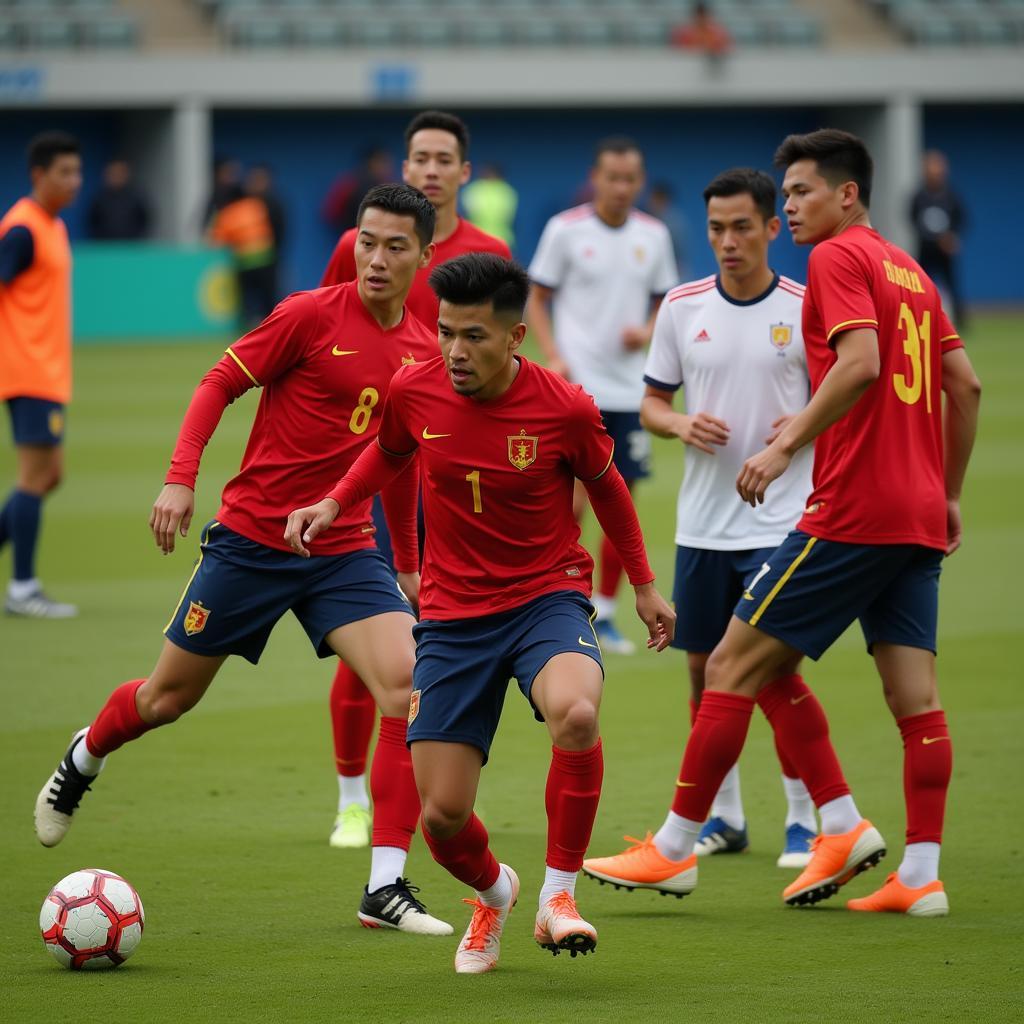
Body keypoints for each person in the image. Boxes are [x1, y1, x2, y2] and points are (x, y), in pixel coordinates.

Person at [34, 184, 453, 936]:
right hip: (251, 543)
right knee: (166, 700)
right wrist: (180, 476)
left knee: (408, 688)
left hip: (343, 551)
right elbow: (220, 382)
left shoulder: (423, 353)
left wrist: (411, 565)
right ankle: (85, 755)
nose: (377, 258)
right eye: (367, 240)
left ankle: (384, 885)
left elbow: (399, 464)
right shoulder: (307, 314)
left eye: (396, 246)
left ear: (426, 255)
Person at [582, 129, 981, 918]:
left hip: (854, 508)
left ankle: (673, 849)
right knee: (916, 699)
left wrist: (786, 443)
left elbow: (862, 364)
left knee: (729, 666)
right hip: (915, 513)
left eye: (799, 192)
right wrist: (950, 492)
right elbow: (964, 387)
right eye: (787, 193)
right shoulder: (911, 271)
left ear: (847, 195)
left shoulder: (837, 258)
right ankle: (919, 871)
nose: (790, 206)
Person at [285, 253, 676, 973]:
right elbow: (386, 453)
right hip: (453, 618)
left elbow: (611, 488)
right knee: (442, 816)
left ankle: (558, 899)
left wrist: (644, 585)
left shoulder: (564, 406)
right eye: (445, 333)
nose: (455, 351)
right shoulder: (415, 387)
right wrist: (335, 501)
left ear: (516, 338)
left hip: (545, 599)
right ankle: (496, 894)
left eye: (474, 336)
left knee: (577, 714)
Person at [320, 111, 512, 851]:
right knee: (367, 631)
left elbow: (505, 355)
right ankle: (349, 800)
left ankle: (436, 785)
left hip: (464, 479)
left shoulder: (491, 253)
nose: (430, 169)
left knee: (448, 637)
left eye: (443, 159)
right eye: (418, 157)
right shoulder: (357, 246)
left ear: (466, 171)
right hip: (386, 465)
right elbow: (331, 335)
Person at [624, 167, 820, 867]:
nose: (727, 241)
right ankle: (724, 816)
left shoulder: (804, 307)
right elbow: (650, 401)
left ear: (772, 228)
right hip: (702, 525)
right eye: (715, 228)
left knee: (772, 674)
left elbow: (842, 402)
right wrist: (678, 422)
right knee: (704, 671)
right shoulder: (681, 306)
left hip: (780, 523)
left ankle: (805, 820)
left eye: (742, 227)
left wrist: (798, 426)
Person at [527, 137, 678, 655]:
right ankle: (558, 601)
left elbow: (667, 299)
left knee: (623, 504)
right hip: (575, 391)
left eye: (629, 179)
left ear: (639, 182)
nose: (620, 187)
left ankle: (608, 612)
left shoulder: (653, 236)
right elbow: (538, 297)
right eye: (611, 177)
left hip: (629, 391)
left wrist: (648, 328)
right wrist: (554, 356)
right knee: (569, 504)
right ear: (595, 178)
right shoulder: (565, 231)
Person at [0, 131, 81, 618]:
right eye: (64, 172)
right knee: (35, 476)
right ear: (38, 176)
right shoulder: (24, 229)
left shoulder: (54, 226)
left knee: (50, 476)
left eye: (78, 171)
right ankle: (23, 588)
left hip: (48, 371)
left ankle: (22, 585)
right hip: (27, 369)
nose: (75, 181)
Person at [207, 183, 278, 330]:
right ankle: (274, 326)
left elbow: (216, 242)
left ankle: (246, 329)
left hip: (245, 263)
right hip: (266, 259)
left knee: (246, 299)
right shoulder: (256, 206)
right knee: (268, 298)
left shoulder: (227, 214)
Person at [910, 150, 967, 329]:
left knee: (952, 285)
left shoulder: (951, 196)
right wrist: (932, 237)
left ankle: (960, 322)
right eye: (931, 167)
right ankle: (917, 317)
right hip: (926, 249)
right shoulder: (919, 196)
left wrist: (951, 237)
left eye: (939, 167)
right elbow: (913, 218)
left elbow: (961, 218)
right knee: (919, 285)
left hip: (945, 251)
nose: (935, 172)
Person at [322, 145, 394, 236]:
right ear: (370, 162)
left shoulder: (391, 188)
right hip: (354, 238)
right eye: (382, 162)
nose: (386, 166)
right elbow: (331, 213)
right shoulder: (349, 185)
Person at [244, 163, 287, 302]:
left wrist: (273, 252)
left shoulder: (274, 203)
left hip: (268, 260)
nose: (256, 183)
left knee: (269, 298)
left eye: (260, 179)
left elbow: (281, 230)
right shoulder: (243, 202)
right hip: (243, 261)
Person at [87, 158, 151, 241]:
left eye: (119, 173)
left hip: (131, 245)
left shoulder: (136, 196)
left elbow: (144, 219)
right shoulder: (99, 198)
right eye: (113, 173)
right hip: (106, 246)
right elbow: (93, 221)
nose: (116, 176)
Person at [461, 163, 518, 249]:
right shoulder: (508, 191)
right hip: (500, 239)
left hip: (479, 239)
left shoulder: (473, 189)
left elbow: (467, 214)